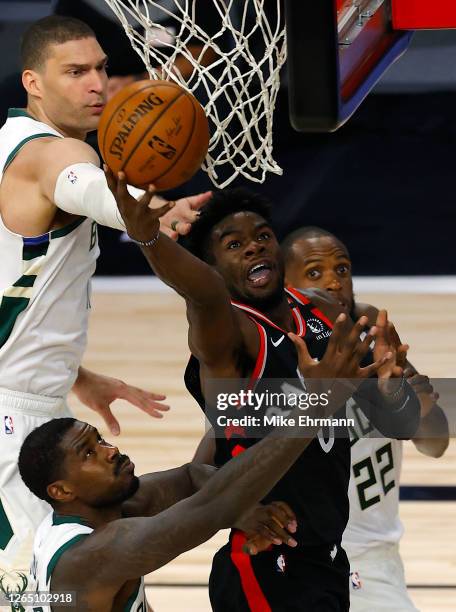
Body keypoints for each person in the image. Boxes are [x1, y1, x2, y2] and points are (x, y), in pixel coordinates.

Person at [105, 178, 421, 611]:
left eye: (262, 237)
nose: (253, 247)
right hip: (266, 563)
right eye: (233, 245)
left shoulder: (322, 312)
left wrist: (392, 387)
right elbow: (201, 294)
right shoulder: (229, 331)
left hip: (329, 557)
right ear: (212, 267)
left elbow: (403, 426)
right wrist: (149, 237)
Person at [0, 14, 209, 591]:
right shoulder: (52, 154)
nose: (95, 84)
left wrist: (77, 374)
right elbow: (84, 185)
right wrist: (153, 209)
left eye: (99, 69)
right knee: (47, 590)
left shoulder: (9, 146)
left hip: (28, 403)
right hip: (13, 426)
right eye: (74, 72)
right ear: (33, 83)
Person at [281, 225, 449, 611]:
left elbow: (436, 443)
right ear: (285, 284)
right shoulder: (274, 358)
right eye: (314, 272)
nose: (333, 282)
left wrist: (417, 404)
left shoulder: (377, 343)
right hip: (314, 557)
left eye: (342, 269)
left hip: (379, 558)